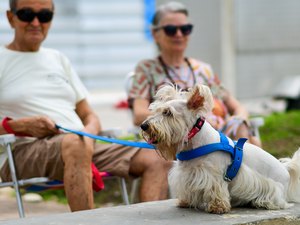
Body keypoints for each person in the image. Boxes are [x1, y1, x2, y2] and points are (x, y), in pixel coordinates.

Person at [0, 0, 172, 211]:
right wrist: (21, 126)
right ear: (11, 17)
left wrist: (88, 133)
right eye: (27, 14)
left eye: (45, 16)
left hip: (79, 143)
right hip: (22, 149)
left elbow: (89, 115)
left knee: (157, 157)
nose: (36, 22)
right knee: (75, 144)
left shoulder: (58, 59)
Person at [128, 1, 261, 147]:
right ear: (155, 34)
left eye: (185, 29)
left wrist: (238, 118)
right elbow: (139, 114)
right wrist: (185, 120)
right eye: (171, 29)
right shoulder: (146, 68)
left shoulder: (203, 69)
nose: (179, 34)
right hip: (178, 137)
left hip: (217, 135)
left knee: (240, 127)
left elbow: (237, 106)